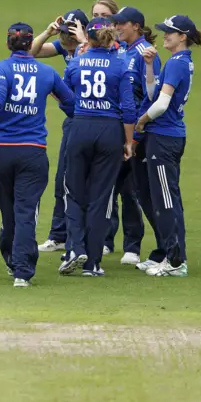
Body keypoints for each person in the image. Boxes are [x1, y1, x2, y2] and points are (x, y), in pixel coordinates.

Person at [0, 23, 74, 287]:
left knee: (9, 211)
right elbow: (71, 103)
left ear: (9, 43)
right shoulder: (47, 72)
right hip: (33, 152)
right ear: (31, 43)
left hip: (1, 153)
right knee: (25, 211)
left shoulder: (0, 68)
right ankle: (22, 271)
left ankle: (11, 260)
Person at [59, 17, 136, 276]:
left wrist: (78, 112)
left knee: (74, 192)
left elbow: (65, 97)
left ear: (88, 38)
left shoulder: (77, 62)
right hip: (110, 131)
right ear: (111, 36)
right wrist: (128, 142)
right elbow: (128, 108)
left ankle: (75, 247)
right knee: (101, 198)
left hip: (80, 127)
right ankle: (92, 263)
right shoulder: (121, 64)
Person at [135, 15, 201, 277]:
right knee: (165, 198)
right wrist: (150, 66)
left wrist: (142, 120)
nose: (165, 36)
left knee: (166, 200)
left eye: (170, 33)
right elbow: (153, 94)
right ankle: (169, 254)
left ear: (182, 36)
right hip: (166, 136)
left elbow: (161, 105)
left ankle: (176, 262)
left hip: (164, 137)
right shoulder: (177, 62)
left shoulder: (177, 63)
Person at [102, 6, 163, 265]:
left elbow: (151, 96)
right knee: (110, 186)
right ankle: (104, 240)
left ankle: (137, 246)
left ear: (136, 26)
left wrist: (136, 132)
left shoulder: (144, 53)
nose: (116, 27)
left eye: (121, 24)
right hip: (118, 129)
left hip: (138, 132)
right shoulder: (120, 50)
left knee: (134, 190)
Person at [33, 9, 90, 254]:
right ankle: (59, 235)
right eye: (64, 32)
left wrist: (83, 43)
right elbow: (31, 52)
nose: (65, 38)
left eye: (70, 33)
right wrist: (48, 31)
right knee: (62, 180)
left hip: (91, 120)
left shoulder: (90, 50)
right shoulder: (67, 47)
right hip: (73, 120)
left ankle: (99, 240)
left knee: (90, 184)